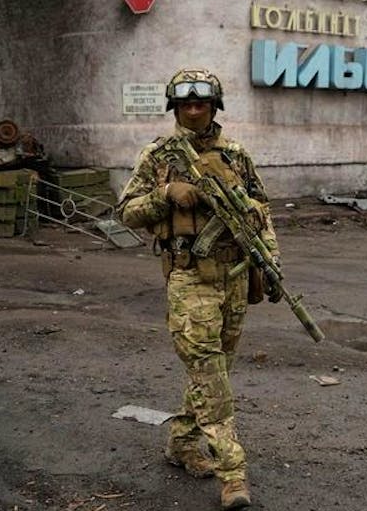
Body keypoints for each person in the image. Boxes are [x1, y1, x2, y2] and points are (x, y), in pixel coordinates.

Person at [117, 68, 280, 510]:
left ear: (214, 105)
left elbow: (260, 212)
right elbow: (126, 212)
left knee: (215, 370)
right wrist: (166, 194)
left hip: (234, 277)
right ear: (175, 107)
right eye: (186, 104)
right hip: (188, 277)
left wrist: (271, 263)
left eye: (201, 103)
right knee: (211, 375)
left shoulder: (236, 155)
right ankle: (233, 473)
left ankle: (181, 443)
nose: (194, 110)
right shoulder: (159, 155)